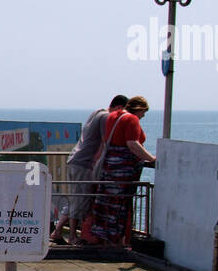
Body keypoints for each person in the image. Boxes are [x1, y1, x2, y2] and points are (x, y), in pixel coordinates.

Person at [51, 94, 128, 244]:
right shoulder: (106, 117)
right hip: (84, 163)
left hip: (75, 159)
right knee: (81, 200)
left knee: (74, 198)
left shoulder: (97, 112)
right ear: (119, 108)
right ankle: (73, 236)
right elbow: (106, 142)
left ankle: (57, 231)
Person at [83, 95, 155, 247]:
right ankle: (118, 242)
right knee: (120, 206)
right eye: (144, 112)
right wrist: (152, 159)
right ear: (139, 108)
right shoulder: (131, 119)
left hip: (109, 167)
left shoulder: (112, 117)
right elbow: (132, 144)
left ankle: (105, 240)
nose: (143, 116)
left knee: (106, 204)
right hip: (123, 170)